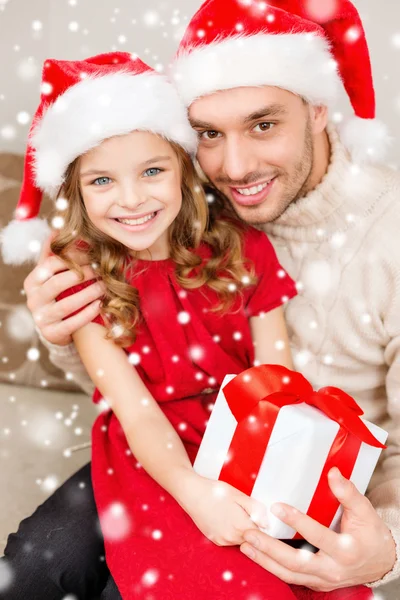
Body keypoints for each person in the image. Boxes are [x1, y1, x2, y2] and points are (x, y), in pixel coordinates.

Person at [2, 0, 399, 597]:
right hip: (157, 444)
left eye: (264, 124)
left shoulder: (384, 236)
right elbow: (128, 373)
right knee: (34, 567)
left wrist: (385, 545)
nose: (235, 167)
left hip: (287, 464)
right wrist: (61, 329)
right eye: (209, 134)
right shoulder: (180, 206)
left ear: (320, 108)